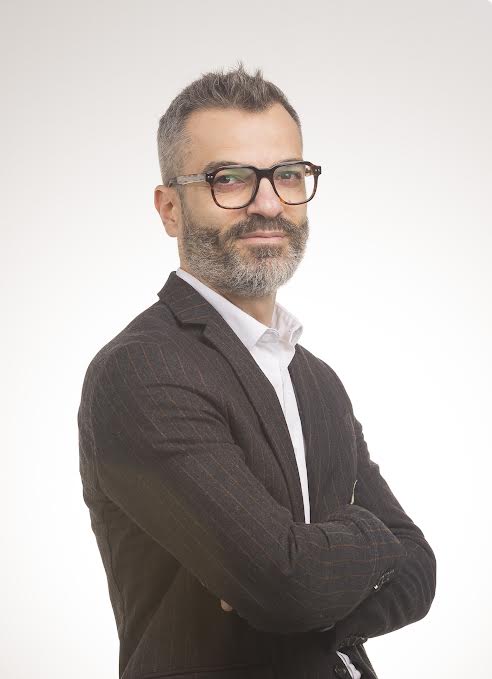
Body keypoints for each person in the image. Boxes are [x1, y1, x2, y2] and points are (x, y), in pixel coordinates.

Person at [78, 63, 436, 679]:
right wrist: (370, 542)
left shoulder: (316, 379)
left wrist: (310, 583)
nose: (268, 204)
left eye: (288, 175)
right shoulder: (142, 371)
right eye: (230, 179)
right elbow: (284, 584)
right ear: (169, 208)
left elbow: (419, 572)